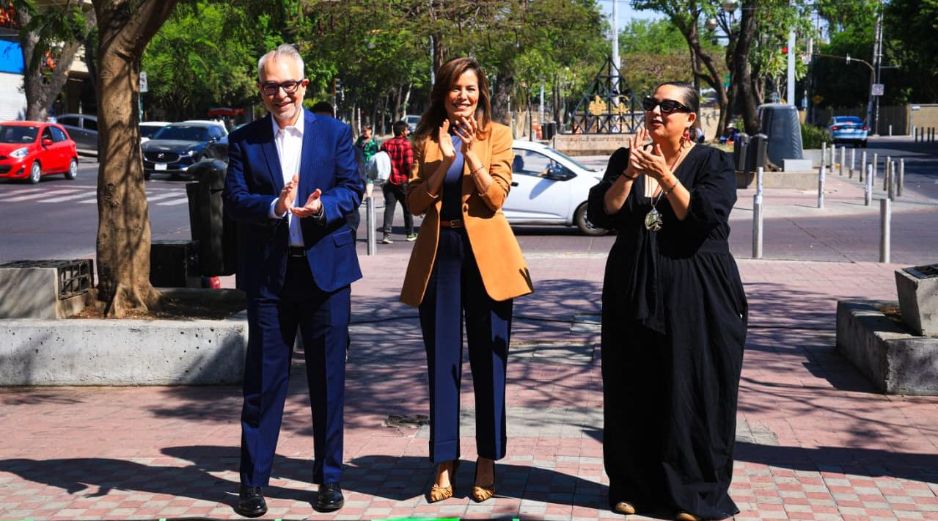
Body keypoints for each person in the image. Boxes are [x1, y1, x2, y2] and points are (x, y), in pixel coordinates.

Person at [586, 82, 747, 521]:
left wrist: (665, 176)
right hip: (632, 288)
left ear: (690, 118)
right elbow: (602, 213)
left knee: (692, 389)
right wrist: (629, 173)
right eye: (651, 104)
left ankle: (693, 495)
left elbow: (703, 217)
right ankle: (632, 486)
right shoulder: (626, 158)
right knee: (632, 386)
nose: (656, 111)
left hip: (698, 291)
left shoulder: (713, 162)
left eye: (668, 106)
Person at [223, 44, 363, 517]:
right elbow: (233, 199)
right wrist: (274, 206)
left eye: (288, 85)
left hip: (326, 273)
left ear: (303, 86)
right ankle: (252, 483)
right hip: (270, 276)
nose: (280, 94)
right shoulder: (244, 140)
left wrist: (322, 207)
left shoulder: (334, 133)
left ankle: (328, 479)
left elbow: (352, 188)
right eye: (270, 86)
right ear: (260, 89)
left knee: (328, 381)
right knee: (263, 383)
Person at [400, 56, 533, 504]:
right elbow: (415, 204)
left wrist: (472, 155)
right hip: (440, 255)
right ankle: (443, 461)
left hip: (487, 260)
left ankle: (487, 460)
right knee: (442, 363)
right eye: (456, 88)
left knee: (489, 363)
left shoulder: (499, 135)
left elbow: (495, 198)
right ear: (443, 94)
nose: (463, 96)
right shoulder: (426, 139)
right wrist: (443, 162)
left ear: (481, 94)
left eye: (471, 88)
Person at [380, 120, 416, 243]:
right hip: (403, 181)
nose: (408, 131)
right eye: (407, 130)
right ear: (402, 132)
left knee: (389, 208)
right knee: (407, 208)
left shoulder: (386, 144)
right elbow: (409, 164)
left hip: (388, 181)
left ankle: (386, 235)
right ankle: (410, 234)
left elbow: (381, 161)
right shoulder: (407, 144)